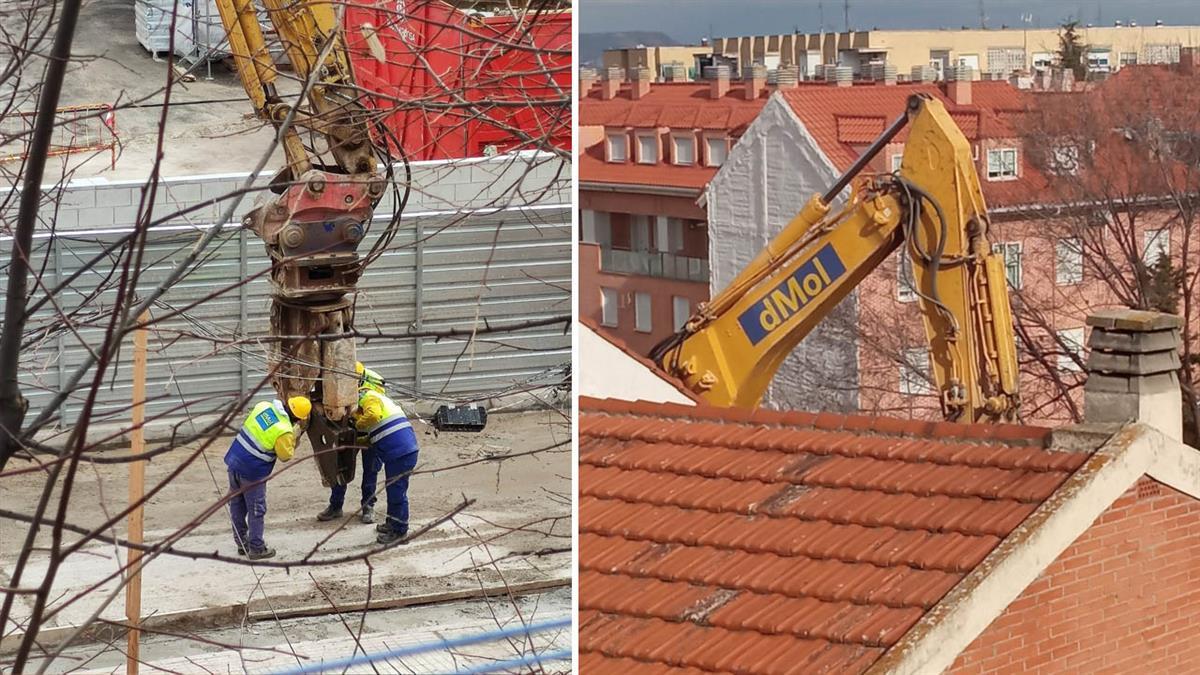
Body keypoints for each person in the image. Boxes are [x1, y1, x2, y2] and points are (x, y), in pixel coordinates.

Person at [224, 396, 311, 559]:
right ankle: (256, 548)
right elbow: (285, 455)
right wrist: (294, 436)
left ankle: (242, 543)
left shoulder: (263, 406)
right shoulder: (283, 430)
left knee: (237, 504)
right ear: (297, 418)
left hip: (234, 461)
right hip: (252, 472)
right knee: (257, 509)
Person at [317, 362, 387, 524]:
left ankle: (368, 506)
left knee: (371, 470)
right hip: (348, 429)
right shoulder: (338, 381)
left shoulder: (375, 382)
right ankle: (336, 505)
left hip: (369, 431)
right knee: (340, 465)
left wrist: (359, 424)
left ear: (359, 378)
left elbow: (374, 413)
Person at [352, 386, 420, 544]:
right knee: (393, 489)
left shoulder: (369, 398)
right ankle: (392, 523)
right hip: (401, 450)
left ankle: (400, 531)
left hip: (401, 452)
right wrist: (364, 439)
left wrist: (358, 425)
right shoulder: (381, 399)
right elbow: (380, 428)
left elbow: (373, 416)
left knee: (397, 493)